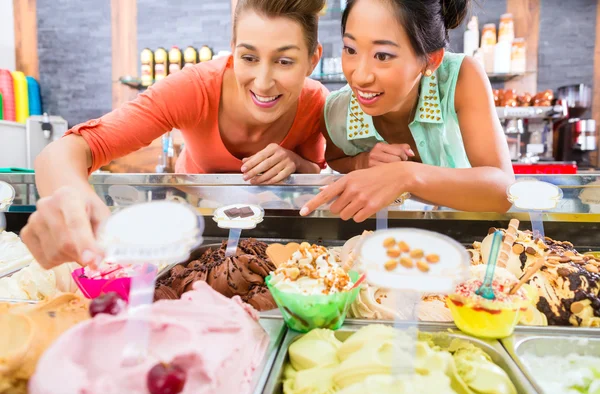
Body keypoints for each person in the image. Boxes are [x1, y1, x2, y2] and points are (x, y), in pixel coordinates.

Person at [22, 0, 328, 269]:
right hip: (198, 234)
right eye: (249, 57)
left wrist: (295, 163)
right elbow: (64, 152)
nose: (262, 83)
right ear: (233, 51)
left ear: (312, 60)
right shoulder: (194, 88)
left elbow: (314, 174)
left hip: (279, 235)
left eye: (284, 61)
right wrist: (74, 200)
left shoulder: (316, 102)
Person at [300, 0, 515, 222]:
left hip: (470, 234)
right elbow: (336, 159)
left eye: (382, 55)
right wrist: (361, 162)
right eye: (351, 49)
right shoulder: (337, 111)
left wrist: (405, 174)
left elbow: (503, 190)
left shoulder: (460, 77)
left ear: (431, 60)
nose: (359, 77)